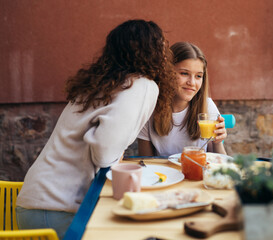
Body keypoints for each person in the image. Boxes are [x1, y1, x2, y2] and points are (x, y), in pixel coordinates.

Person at [16, 19, 176, 239]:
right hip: (56, 208)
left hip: (38, 203)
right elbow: (104, 152)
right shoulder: (142, 85)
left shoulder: (101, 85)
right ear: (153, 51)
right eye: (162, 46)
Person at [137, 42, 227, 156]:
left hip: (197, 172)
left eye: (198, 76)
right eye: (184, 73)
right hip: (163, 173)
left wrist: (218, 143)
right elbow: (146, 161)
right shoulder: (150, 109)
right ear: (167, 72)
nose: (192, 83)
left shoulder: (207, 106)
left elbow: (220, 162)